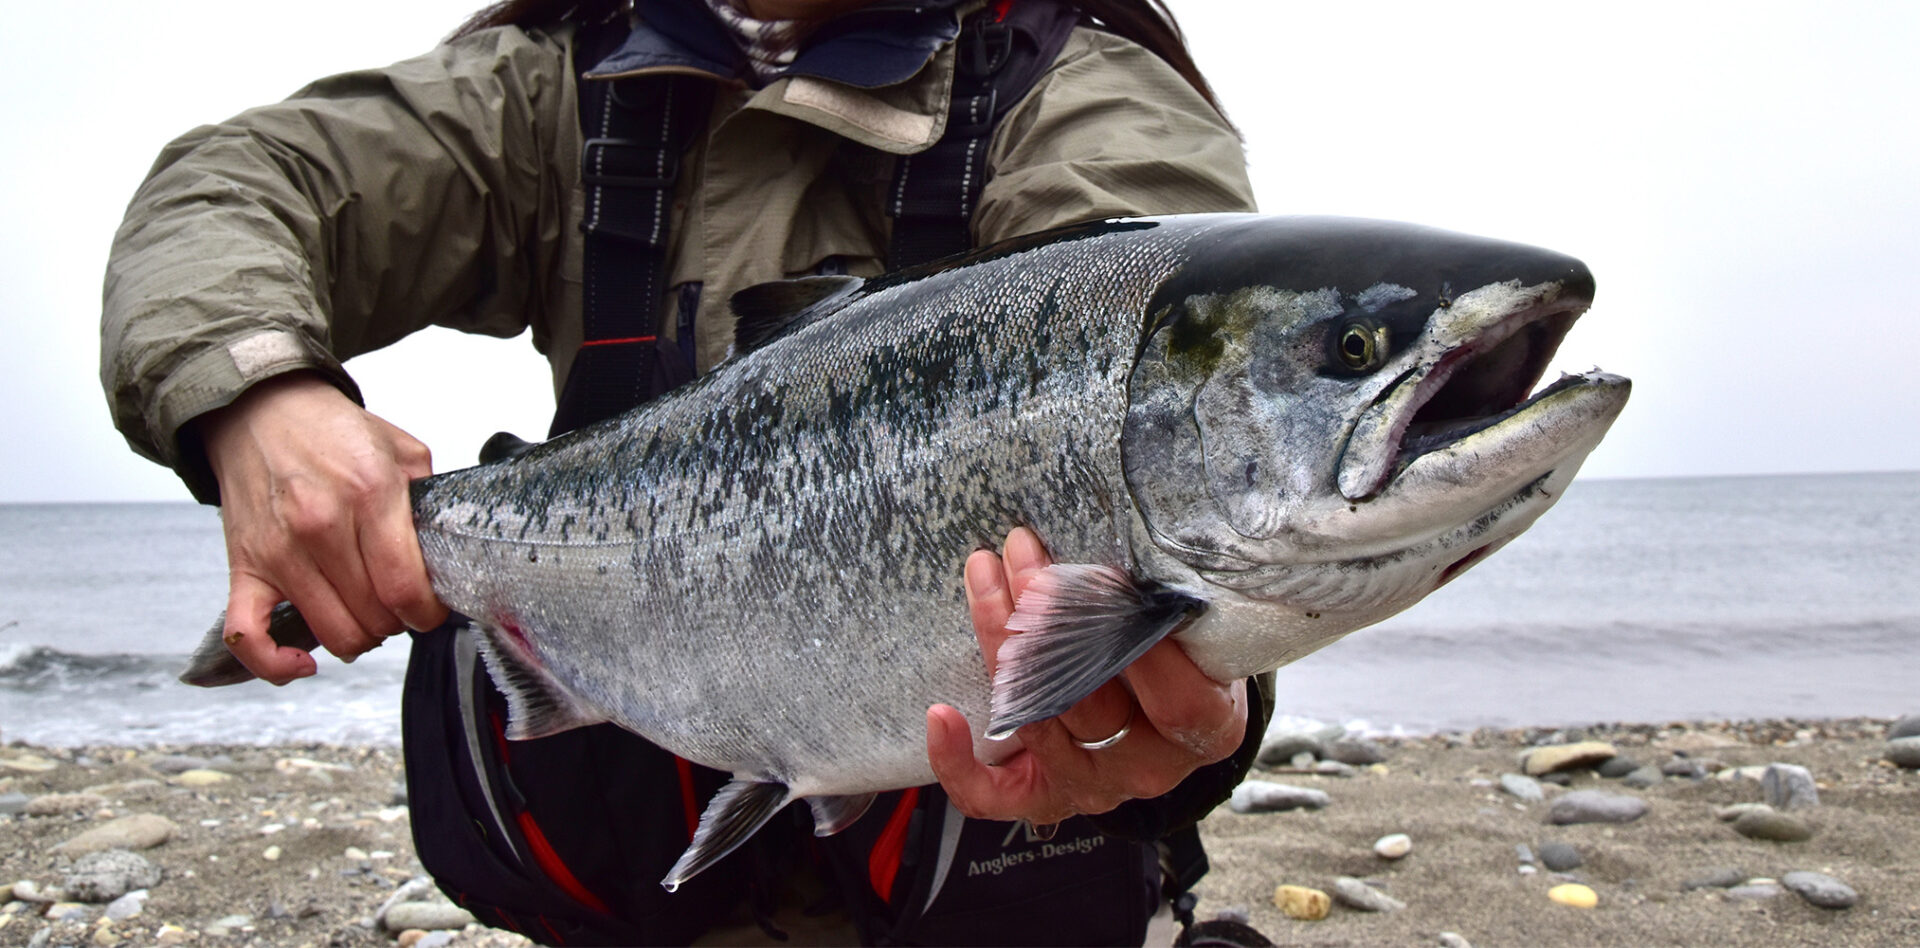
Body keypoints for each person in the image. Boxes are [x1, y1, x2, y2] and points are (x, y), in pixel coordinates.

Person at [102, 0, 1270, 942]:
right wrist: (256, 390)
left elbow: (1228, 448)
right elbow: (237, 186)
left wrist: (1198, 695)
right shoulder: (551, 86)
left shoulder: (1078, 89)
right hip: (647, 885)